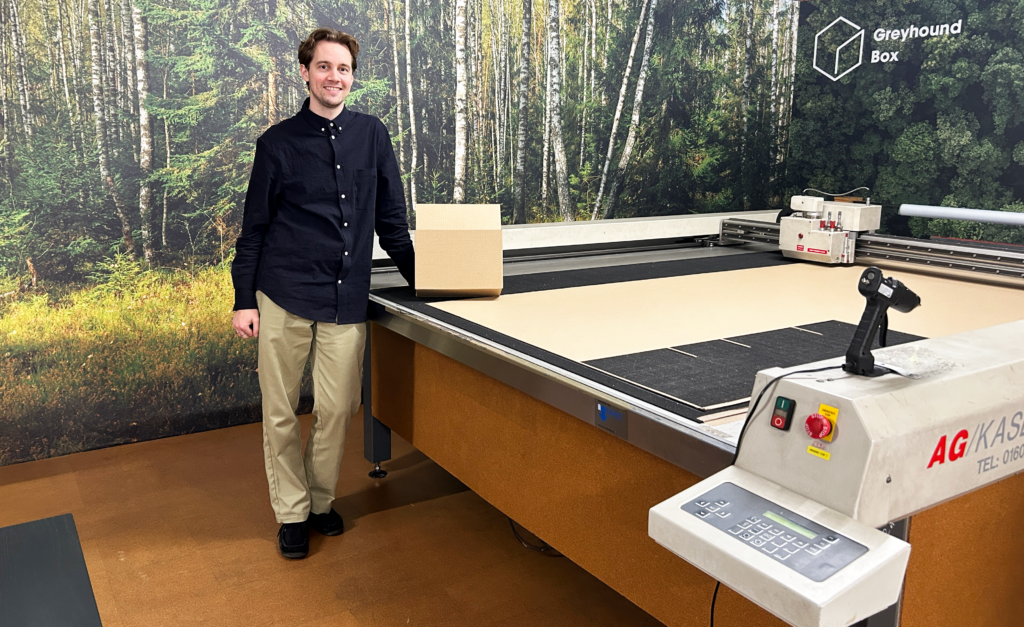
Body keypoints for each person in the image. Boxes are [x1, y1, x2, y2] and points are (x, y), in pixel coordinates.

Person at [231, 28, 414, 559]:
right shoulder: (276, 144)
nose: (336, 77)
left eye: (345, 69)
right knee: (282, 409)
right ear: (306, 72)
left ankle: (319, 500)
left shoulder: (373, 136)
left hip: (345, 299)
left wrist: (429, 284)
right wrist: (245, 299)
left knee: (337, 409)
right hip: (283, 294)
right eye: (326, 67)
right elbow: (255, 230)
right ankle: (292, 513)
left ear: (351, 78)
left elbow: (392, 224)